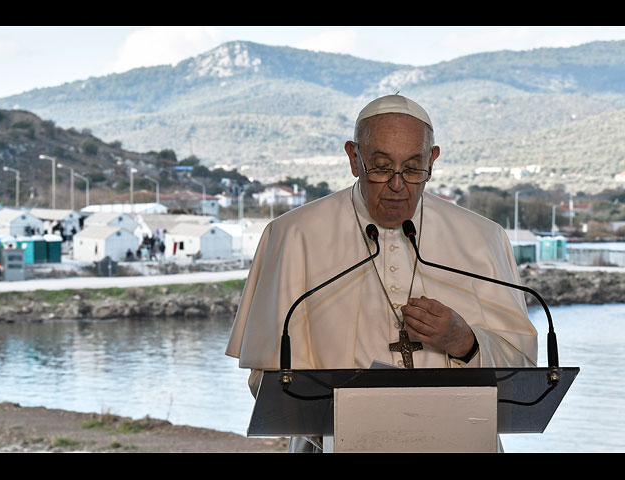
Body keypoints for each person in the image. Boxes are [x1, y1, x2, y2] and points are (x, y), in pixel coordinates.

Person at [226, 94, 538, 451]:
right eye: (381, 166)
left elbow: (524, 369)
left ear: (432, 160)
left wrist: (465, 343)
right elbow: (269, 376)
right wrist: (350, 428)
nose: (397, 184)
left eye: (413, 167)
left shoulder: (483, 238)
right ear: (353, 158)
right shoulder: (294, 235)